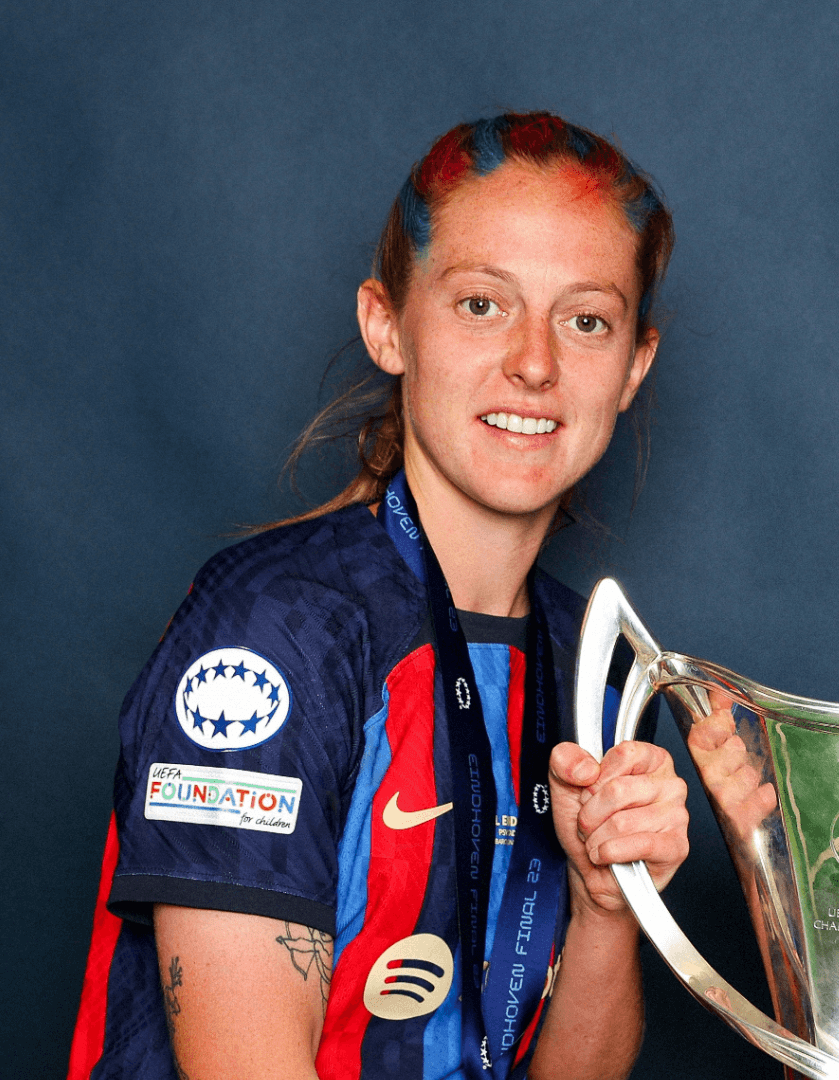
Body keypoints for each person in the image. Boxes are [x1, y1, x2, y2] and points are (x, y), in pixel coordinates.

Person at [67, 113, 692, 1080]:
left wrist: (607, 906)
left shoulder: (596, 669)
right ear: (387, 325)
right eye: (481, 304)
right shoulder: (271, 633)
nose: (535, 362)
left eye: (586, 321)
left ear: (633, 367)